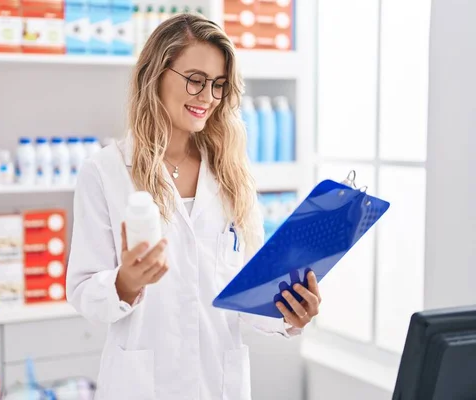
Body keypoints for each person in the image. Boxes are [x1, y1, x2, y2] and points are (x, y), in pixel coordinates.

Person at [66, 12, 322, 400]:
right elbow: (83, 290)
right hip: (144, 386)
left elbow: (245, 293)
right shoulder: (105, 171)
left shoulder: (231, 172)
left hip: (219, 383)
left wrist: (288, 314)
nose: (207, 97)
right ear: (155, 74)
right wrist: (126, 282)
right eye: (196, 80)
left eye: (218, 85)